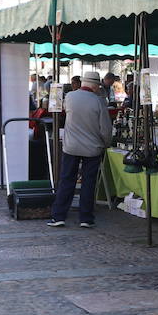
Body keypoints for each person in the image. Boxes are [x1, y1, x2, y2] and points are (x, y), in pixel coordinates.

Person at [47, 70, 113, 228]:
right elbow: (105, 128)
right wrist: (106, 143)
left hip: (71, 147)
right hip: (92, 148)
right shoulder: (99, 101)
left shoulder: (69, 97)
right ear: (95, 86)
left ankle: (59, 216)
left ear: (83, 83)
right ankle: (85, 218)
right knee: (88, 183)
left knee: (66, 181)